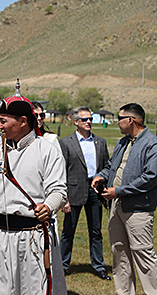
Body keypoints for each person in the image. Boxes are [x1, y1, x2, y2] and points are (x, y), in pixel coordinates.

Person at [0, 90, 68, 295]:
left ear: (23, 121)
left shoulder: (46, 149)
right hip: (1, 237)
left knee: (35, 289)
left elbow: (58, 190)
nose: (0, 125)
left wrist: (49, 206)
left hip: (34, 237)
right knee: (3, 289)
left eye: (4, 121)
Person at [92, 103, 157, 295]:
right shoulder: (123, 142)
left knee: (143, 254)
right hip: (116, 205)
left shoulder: (152, 143)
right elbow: (112, 165)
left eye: (120, 118)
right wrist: (101, 175)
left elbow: (150, 177)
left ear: (132, 120)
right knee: (119, 253)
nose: (117, 121)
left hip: (138, 208)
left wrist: (119, 191)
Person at [59, 106, 111, 280]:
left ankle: (98, 266)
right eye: (84, 119)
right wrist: (63, 197)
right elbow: (62, 170)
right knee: (68, 231)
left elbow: (106, 167)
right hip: (73, 191)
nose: (89, 122)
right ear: (76, 122)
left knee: (96, 231)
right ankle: (63, 265)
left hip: (95, 191)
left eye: (90, 119)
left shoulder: (100, 142)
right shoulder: (66, 143)